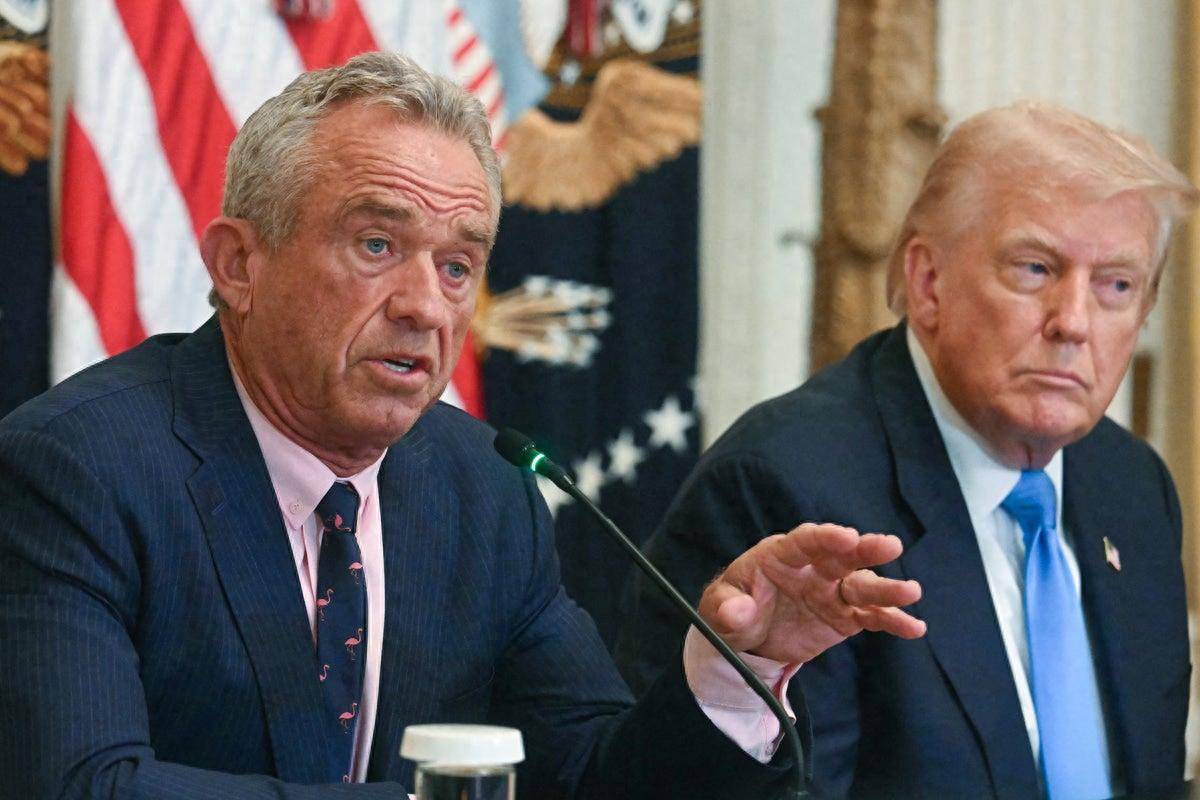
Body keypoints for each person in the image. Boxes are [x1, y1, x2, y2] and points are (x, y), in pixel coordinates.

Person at [0, 53, 925, 799]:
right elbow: (78, 784)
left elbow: (586, 780)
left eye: (456, 267)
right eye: (377, 245)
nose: (426, 308)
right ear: (239, 264)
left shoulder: (484, 489)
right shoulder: (77, 469)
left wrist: (737, 671)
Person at [617, 101, 1199, 799]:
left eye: (1117, 285)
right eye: (1035, 268)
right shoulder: (786, 488)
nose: (1073, 322)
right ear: (928, 282)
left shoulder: (1132, 487)